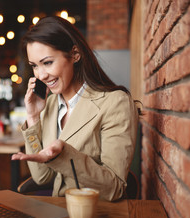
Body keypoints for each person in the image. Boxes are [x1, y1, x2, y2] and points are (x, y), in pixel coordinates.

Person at [11, 16, 139, 201]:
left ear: (75, 54)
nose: (41, 75)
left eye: (47, 63)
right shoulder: (50, 104)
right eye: (34, 66)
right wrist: (33, 117)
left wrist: (63, 155)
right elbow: (42, 177)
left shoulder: (115, 103)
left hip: (96, 215)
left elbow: (115, 187)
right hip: (58, 212)